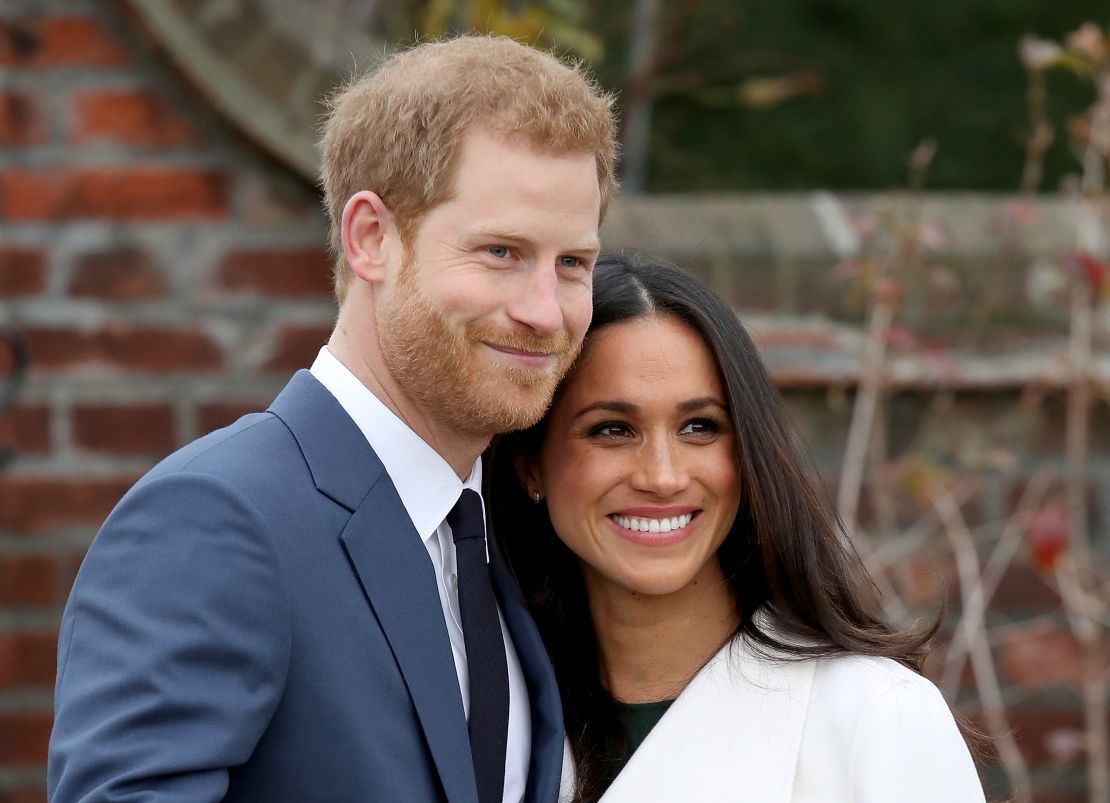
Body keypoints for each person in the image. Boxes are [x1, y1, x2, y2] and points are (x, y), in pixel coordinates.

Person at [48, 36, 616, 803]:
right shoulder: (216, 519)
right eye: (501, 251)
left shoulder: (505, 532)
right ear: (371, 238)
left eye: (572, 263)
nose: (544, 311)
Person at [487, 252, 987, 803]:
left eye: (699, 427)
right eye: (612, 430)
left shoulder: (875, 718)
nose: (663, 476)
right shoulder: (488, 720)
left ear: (747, 453)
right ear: (530, 463)